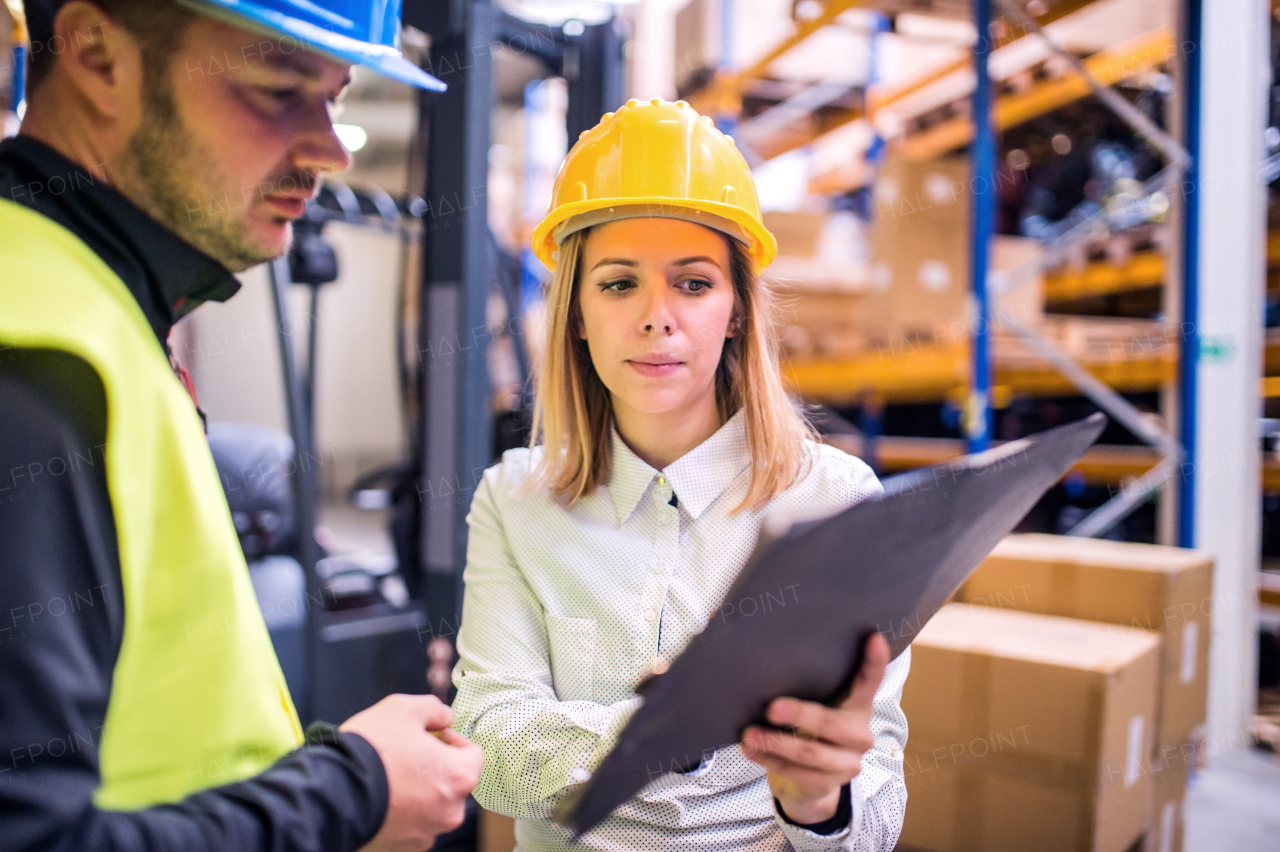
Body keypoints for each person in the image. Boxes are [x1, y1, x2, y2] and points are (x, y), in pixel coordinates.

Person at [0, 2, 481, 850]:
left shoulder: (93, 306)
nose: (329, 150)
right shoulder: (35, 357)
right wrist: (354, 792)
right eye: (279, 89)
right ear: (97, 53)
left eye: (335, 96)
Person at [451, 98, 910, 852]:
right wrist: (671, 729)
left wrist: (821, 801)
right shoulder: (511, 499)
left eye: (694, 284)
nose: (657, 316)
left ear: (736, 311)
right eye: (619, 284)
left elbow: (879, 812)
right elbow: (487, 748)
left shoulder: (839, 502)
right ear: (576, 313)